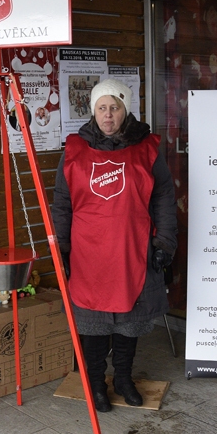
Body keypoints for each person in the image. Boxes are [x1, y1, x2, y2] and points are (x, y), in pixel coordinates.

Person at [52, 79, 177, 412]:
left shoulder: (147, 149)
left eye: (115, 107)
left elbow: (164, 195)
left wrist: (165, 240)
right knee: (92, 324)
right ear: (93, 110)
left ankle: (123, 378)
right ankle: (95, 383)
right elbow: (62, 202)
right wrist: (60, 246)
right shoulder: (74, 149)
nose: (108, 115)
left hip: (132, 250)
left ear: (127, 109)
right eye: (102, 107)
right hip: (88, 253)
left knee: (129, 321)